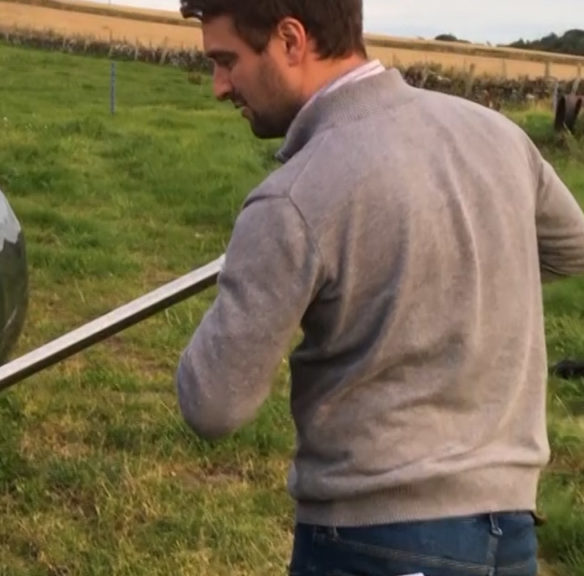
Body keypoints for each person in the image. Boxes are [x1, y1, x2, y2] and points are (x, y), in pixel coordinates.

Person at [172, 1, 584, 574]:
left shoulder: (292, 198)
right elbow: (573, 249)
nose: (219, 86)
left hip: (371, 544)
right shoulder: (497, 135)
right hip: (508, 535)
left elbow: (212, 403)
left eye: (226, 60)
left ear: (291, 40)